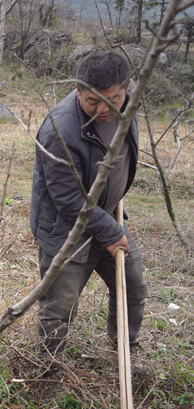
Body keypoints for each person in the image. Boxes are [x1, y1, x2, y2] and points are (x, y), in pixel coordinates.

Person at [30, 50, 148, 371]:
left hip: (105, 215)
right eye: (92, 101)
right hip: (65, 228)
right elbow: (68, 199)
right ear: (78, 91)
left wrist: (112, 206)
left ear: (126, 88)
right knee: (60, 306)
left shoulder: (127, 102)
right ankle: (49, 370)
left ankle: (124, 353)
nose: (103, 109)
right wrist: (110, 232)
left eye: (113, 98)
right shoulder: (61, 131)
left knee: (133, 287)